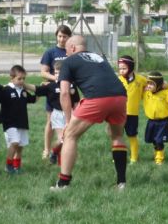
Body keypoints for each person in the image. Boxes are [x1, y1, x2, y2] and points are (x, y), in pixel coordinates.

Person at [52, 35, 128, 190]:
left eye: (66, 50)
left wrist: (68, 122)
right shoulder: (99, 57)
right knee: (117, 136)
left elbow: (65, 93)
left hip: (97, 97)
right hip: (120, 96)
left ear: (72, 48)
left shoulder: (69, 61)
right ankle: (121, 183)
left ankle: (63, 183)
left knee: (70, 136)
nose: (66, 54)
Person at [34, 60, 80, 165]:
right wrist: (24, 85)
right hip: (57, 115)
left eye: (60, 72)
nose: (57, 75)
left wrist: (76, 114)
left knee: (68, 139)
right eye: (55, 72)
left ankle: (56, 155)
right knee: (62, 139)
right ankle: (57, 157)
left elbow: (76, 101)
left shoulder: (71, 86)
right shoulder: (51, 86)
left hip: (71, 114)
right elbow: (37, 89)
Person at [40, 24, 71, 159]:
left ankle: (63, 148)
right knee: (50, 121)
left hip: (69, 91)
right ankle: (47, 150)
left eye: (65, 36)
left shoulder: (72, 52)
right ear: (56, 37)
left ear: (69, 37)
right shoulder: (50, 52)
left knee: (69, 122)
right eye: (59, 36)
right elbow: (43, 72)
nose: (62, 39)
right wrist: (57, 79)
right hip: (54, 92)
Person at [0, 65, 37, 173]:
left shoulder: (24, 91)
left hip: (22, 122)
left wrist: (40, 91)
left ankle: (17, 166)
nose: (22, 81)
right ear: (11, 78)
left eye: (23, 79)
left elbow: (33, 99)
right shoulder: (5, 90)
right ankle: (8, 165)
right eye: (19, 78)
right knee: (15, 142)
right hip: (10, 123)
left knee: (20, 146)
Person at [117, 55, 147, 163]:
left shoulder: (141, 79)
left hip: (132, 114)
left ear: (130, 67)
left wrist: (163, 84)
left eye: (124, 68)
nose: (121, 71)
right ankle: (118, 157)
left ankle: (134, 158)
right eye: (120, 68)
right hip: (119, 113)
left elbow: (153, 84)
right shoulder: (118, 80)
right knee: (118, 136)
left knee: (132, 136)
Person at [143, 71, 168, 165]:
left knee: (159, 141)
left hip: (162, 122)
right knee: (154, 140)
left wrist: (167, 85)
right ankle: (156, 154)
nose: (149, 86)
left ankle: (159, 159)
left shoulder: (165, 93)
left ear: (159, 84)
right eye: (148, 83)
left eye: (152, 84)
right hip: (151, 121)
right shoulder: (146, 93)